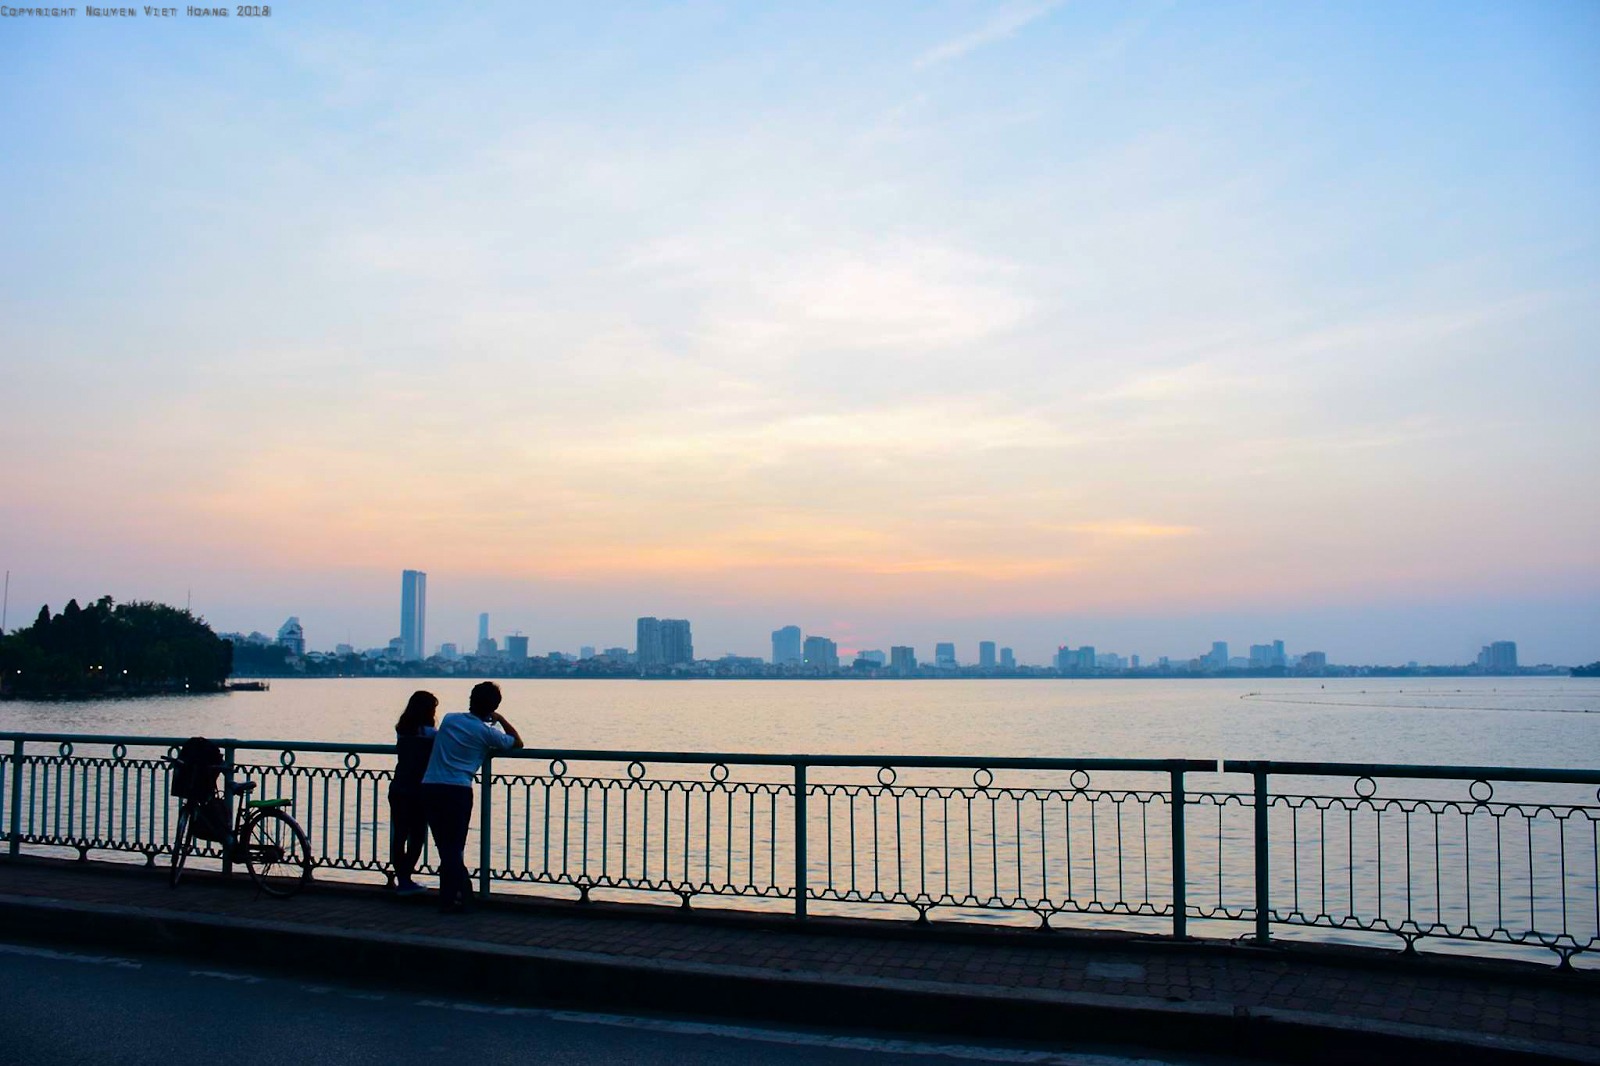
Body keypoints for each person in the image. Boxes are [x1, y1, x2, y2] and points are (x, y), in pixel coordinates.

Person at [421, 681, 522, 913]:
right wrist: (500, 719)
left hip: (431, 786)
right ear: (493, 706)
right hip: (457, 790)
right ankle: (460, 898)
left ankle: (454, 898)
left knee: (445, 846)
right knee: (454, 847)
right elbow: (517, 742)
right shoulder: (486, 733)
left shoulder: (449, 719)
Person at [389, 690, 438, 896]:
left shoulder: (402, 730)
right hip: (418, 789)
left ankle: (402, 878)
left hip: (398, 786)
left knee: (399, 834)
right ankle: (406, 877)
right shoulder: (431, 735)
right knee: (417, 835)